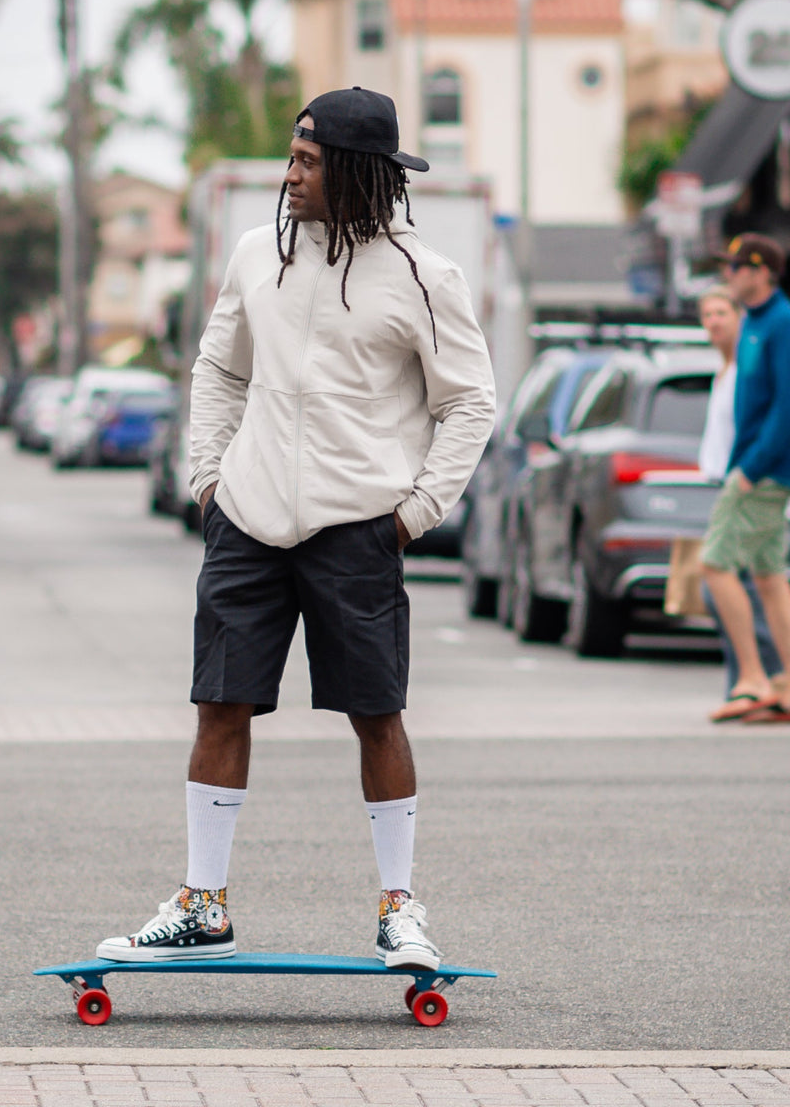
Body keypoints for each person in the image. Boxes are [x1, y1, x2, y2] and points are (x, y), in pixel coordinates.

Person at [96, 87, 496, 969]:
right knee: (220, 705)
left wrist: (414, 514)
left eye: (308, 163)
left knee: (377, 715)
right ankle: (203, 907)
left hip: (359, 527)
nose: (291, 176)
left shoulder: (424, 275)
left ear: (354, 172)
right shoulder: (257, 254)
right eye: (291, 158)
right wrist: (209, 481)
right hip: (248, 518)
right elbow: (217, 369)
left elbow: (470, 402)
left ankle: (399, 908)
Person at [702, 234, 790, 725]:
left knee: (715, 564)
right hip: (754, 465)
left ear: (760, 272)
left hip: (765, 471)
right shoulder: (753, 321)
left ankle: (753, 678)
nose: (727, 275)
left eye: (735, 268)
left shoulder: (786, 323)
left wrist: (750, 471)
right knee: (770, 578)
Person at [695, 285, 784, 700]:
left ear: (739, 318)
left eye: (721, 313)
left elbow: (773, 420)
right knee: (745, 583)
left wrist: (748, 475)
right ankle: (750, 682)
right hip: (722, 484)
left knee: (723, 580)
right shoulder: (724, 370)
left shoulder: (747, 371)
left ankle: (761, 679)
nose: (713, 322)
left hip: (746, 485)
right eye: (707, 315)